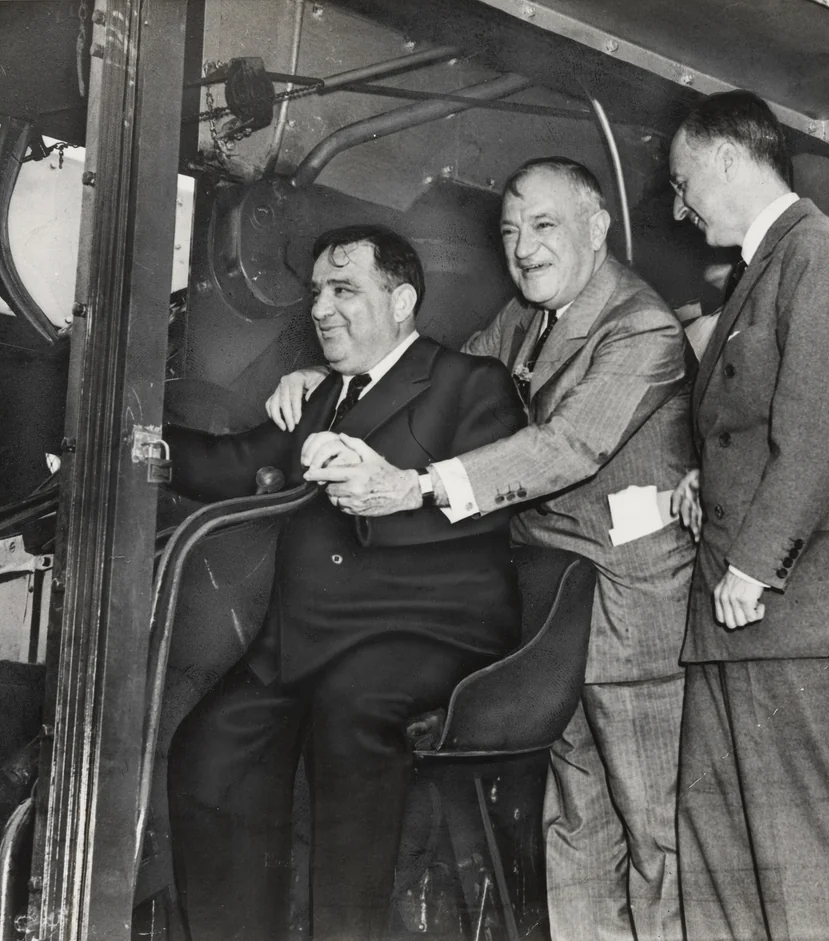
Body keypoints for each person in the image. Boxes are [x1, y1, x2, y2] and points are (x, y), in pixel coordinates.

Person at [268, 158, 697, 941]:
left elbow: (570, 445)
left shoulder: (643, 327)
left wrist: (423, 485)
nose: (523, 247)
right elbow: (429, 379)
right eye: (509, 231)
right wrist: (334, 376)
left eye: (543, 225)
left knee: (654, 825)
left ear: (596, 228)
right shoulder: (522, 320)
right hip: (549, 602)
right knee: (576, 820)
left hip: (630, 600)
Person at [163, 224, 526, 941]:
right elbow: (241, 463)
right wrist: (150, 445)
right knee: (207, 750)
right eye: (317, 293)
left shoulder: (468, 383)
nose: (322, 308)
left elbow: (489, 513)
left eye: (344, 290)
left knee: (351, 722)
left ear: (401, 302)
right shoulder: (322, 398)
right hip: (306, 642)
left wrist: (382, 496)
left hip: (421, 631)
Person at [666, 90, 829, 941]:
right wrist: (710, 483)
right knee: (722, 849)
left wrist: (753, 560)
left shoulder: (820, 255)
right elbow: (755, 429)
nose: (679, 202)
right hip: (739, 612)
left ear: (729, 159)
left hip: (786, 608)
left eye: (684, 178)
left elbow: (815, 430)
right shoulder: (763, 269)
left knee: (810, 862)